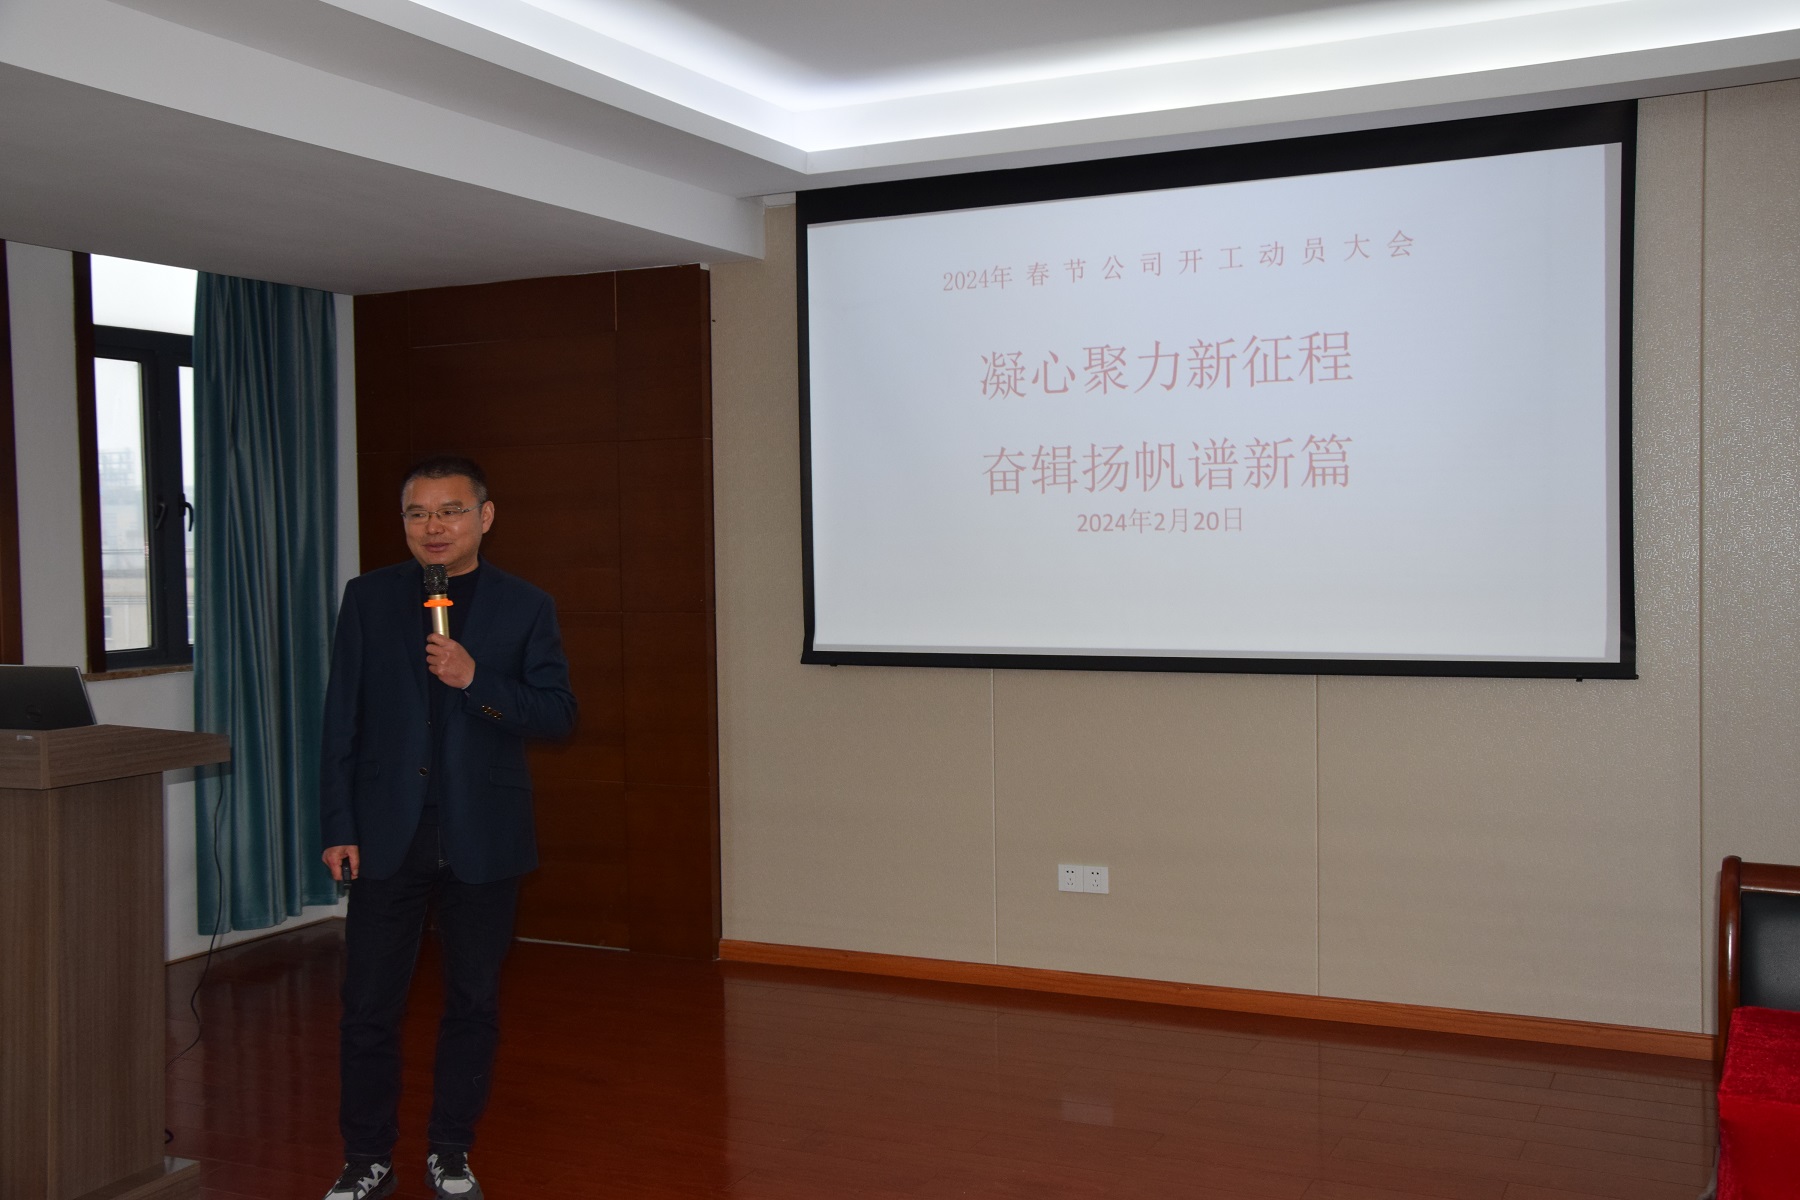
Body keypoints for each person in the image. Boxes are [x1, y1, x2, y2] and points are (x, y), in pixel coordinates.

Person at [318, 456, 577, 1200]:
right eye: (418, 513)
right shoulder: (368, 598)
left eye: (451, 511)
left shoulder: (526, 606)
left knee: (472, 1002)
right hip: (385, 833)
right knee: (368, 1007)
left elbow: (558, 714)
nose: (434, 527)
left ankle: (451, 1150)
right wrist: (338, 824)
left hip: (483, 835)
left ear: (484, 518)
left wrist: (476, 682)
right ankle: (366, 1157)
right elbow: (341, 719)